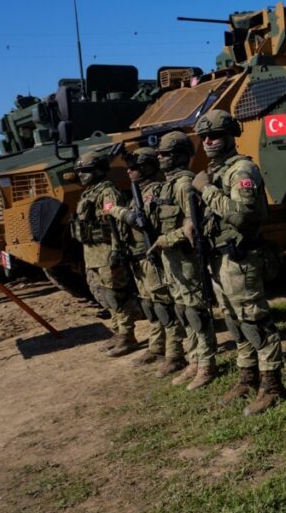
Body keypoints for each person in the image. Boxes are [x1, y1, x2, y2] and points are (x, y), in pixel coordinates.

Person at [192, 109, 285, 416]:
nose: (208, 141)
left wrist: (206, 191)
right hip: (220, 258)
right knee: (234, 322)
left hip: (240, 258)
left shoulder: (241, 170)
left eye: (215, 135)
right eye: (204, 136)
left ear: (230, 136)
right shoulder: (219, 171)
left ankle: (272, 385)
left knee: (255, 322)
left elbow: (242, 216)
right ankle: (247, 378)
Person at [148, 130, 219, 388]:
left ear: (179, 156)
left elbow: (194, 226)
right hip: (172, 261)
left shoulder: (184, 184)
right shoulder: (168, 185)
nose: (160, 157)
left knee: (197, 313)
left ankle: (207, 365)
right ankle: (194, 361)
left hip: (186, 260)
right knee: (183, 312)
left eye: (165, 154)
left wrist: (162, 241)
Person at [108, 147, 185, 370]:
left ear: (149, 167)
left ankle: (174, 354)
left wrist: (116, 211)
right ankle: (156, 346)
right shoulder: (137, 193)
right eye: (129, 168)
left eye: (135, 167)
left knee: (163, 306)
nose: (130, 171)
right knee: (149, 306)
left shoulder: (156, 190)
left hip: (152, 256)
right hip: (137, 256)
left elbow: (141, 221)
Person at [70, 150, 138, 357]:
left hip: (108, 251)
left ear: (99, 170)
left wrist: (117, 250)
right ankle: (118, 332)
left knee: (118, 295)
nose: (81, 175)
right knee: (106, 295)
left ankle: (128, 336)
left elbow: (117, 224)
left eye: (86, 171)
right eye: (79, 171)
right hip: (93, 253)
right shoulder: (89, 192)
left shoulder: (108, 192)